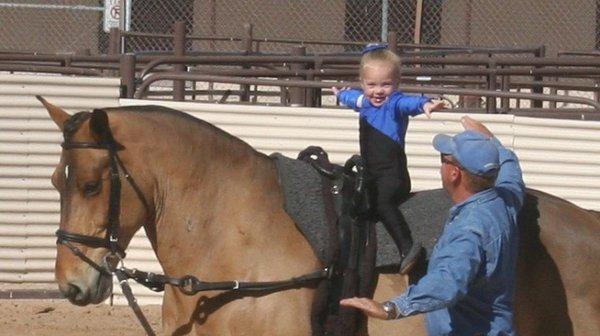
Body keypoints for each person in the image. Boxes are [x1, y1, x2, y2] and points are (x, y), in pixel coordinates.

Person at [340, 116, 526, 336]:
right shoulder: (503, 202)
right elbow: (511, 170)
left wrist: (391, 308)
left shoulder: (468, 229)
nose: (441, 166)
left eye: (443, 158)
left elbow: (447, 284)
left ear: (454, 173)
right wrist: (490, 142)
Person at [332, 44, 445, 273]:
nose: (378, 91)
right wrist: (339, 94)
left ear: (396, 84)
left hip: (393, 178)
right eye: (371, 84)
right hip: (371, 175)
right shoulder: (364, 101)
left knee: (382, 203)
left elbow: (410, 103)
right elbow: (351, 98)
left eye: (386, 84)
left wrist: (426, 104)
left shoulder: (394, 104)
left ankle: (408, 247)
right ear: (363, 83)